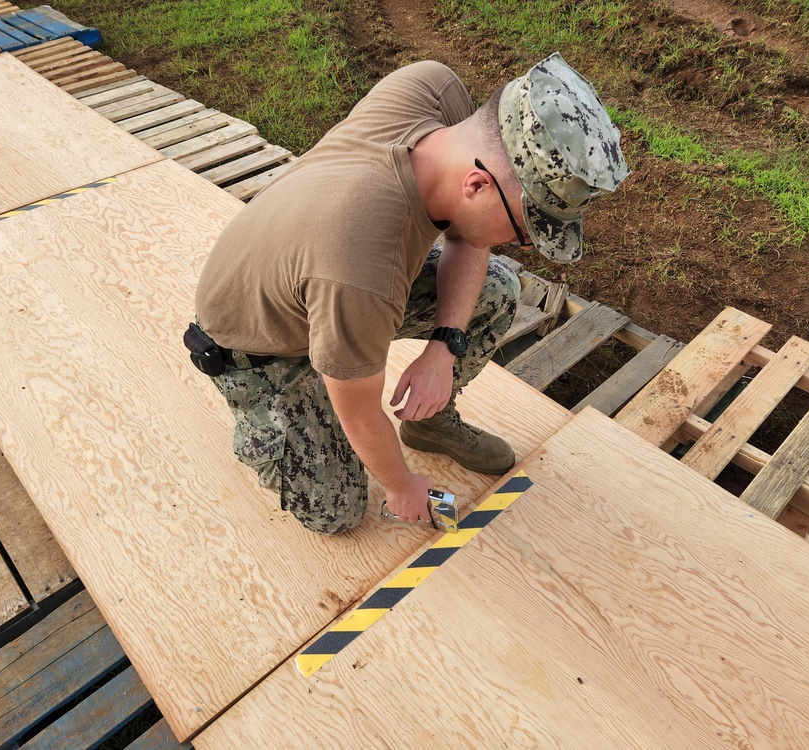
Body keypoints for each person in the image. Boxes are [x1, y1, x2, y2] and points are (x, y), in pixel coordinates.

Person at [189, 52, 629, 535]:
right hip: (258, 347)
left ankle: (427, 422)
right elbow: (358, 414)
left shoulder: (434, 91)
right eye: (524, 230)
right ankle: (266, 431)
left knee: (498, 287)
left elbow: (469, 236)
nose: (524, 245)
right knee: (337, 513)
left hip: (321, 288)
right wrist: (402, 487)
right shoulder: (360, 267)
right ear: (477, 184)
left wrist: (444, 348)